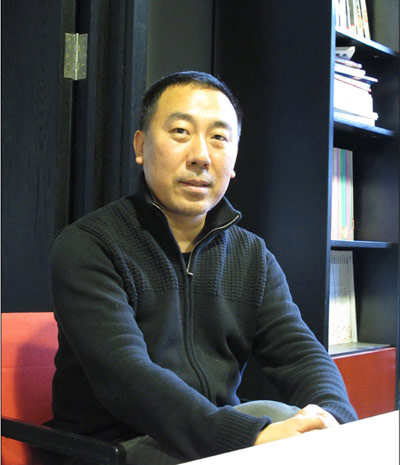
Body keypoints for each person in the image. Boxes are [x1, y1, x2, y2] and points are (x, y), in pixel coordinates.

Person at [50, 71, 357, 465]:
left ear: (234, 159)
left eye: (219, 137)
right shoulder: (89, 245)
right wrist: (247, 437)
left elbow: (300, 355)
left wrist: (335, 420)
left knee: (302, 428)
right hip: (114, 449)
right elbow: (127, 376)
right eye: (181, 131)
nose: (200, 155)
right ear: (141, 145)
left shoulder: (252, 256)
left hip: (212, 441)